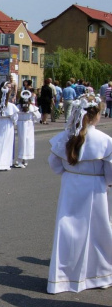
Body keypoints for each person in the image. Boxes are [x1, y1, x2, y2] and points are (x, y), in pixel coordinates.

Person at [47, 94, 112, 293]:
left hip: (70, 185)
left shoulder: (66, 137)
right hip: (95, 188)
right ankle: (98, 276)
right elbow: (110, 172)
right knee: (97, 232)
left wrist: (70, 173)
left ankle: (63, 278)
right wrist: (106, 182)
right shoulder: (104, 140)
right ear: (96, 115)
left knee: (67, 231)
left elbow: (54, 164)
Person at [0, 84, 19, 171]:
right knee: (7, 144)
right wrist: (14, 123)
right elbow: (15, 118)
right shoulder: (11, 106)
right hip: (7, 125)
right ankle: (5, 163)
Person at [15, 90, 41, 168]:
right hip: (29, 125)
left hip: (21, 124)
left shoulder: (18, 107)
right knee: (28, 141)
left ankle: (21, 159)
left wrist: (16, 123)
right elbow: (38, 116)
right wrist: (34, 120)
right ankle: (25, 160)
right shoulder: (32, 107)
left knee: (22, 142)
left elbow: (15, 116)